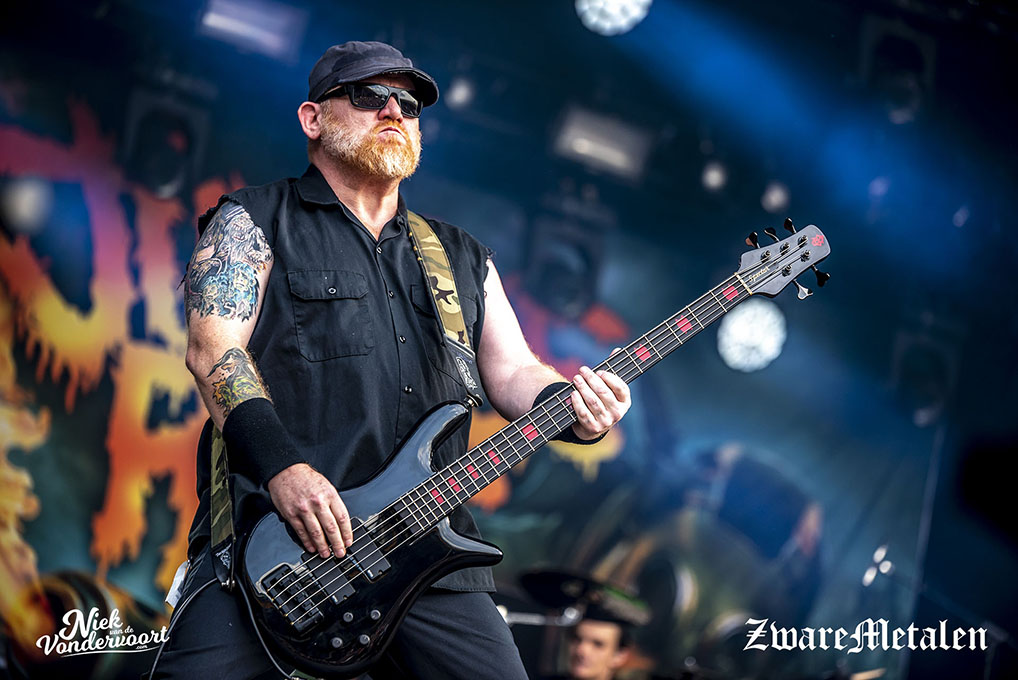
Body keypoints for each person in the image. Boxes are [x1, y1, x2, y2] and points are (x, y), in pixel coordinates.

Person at [150, 40, 632, 680]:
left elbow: (514, 372)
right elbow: (214, 351)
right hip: (275, 550)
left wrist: (575, 408)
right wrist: (282, 468)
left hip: (430, 556)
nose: (394, 111)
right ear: (313, 118)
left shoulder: (460, 256)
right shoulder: (254, 220)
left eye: (408, 104)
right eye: (368, 95)